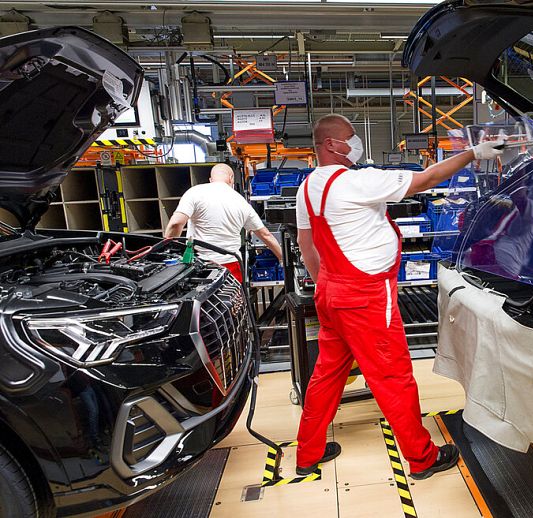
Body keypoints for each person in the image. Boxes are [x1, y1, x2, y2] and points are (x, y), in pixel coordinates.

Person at [295, 114, 503, 479]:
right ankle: (422, 459)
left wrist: (326, 285)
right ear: (330, 144)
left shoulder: (308, 186)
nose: (356, 142)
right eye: (350, 136)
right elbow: (429, 178)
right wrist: (474, 152)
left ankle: (307, 453)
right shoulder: (357, 181)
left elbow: (306, 245)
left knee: (326, 376)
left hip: (330, 292)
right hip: (366, 297)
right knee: (392, 378)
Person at [164, 163, 282, 281]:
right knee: (232, 298)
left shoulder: (194, 192)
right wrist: (282, 259)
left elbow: (176, 223)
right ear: (231, 178)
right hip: (231, 265)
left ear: (211, 179)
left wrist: (168, 252)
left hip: (200, 266)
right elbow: (266, 235)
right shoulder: (241, 202)